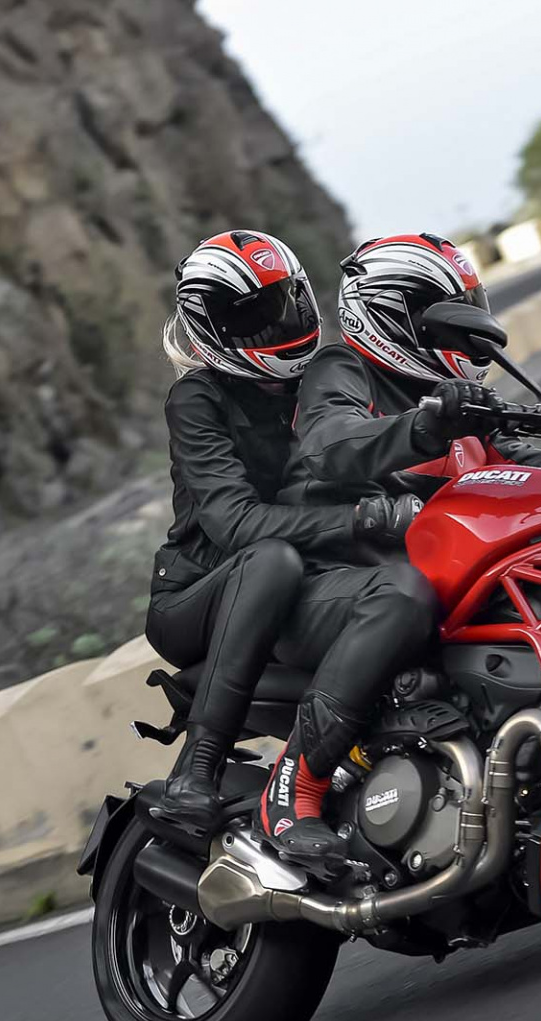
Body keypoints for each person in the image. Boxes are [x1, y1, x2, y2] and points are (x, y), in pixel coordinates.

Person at [261, 232, 541, 862]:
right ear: (393, 310)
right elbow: (330, 445)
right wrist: (426, 426)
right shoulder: (343, 370)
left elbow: (528, 469)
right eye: (446, 310)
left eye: (471, 306)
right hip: (332, 581)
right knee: (405, 595)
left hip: (415, 582)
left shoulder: (466, 404)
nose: (467, 325)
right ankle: (296, 785)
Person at [146, 230, 418, 833]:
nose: (277, 324)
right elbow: (233, 523)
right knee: (271, 559)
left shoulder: (317, 382)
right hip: (200, 596)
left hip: (293, 587)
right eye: (255, 316)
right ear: (211, 325)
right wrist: (360, 519)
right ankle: (198, 768)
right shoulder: (197, 399)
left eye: (285, 302)